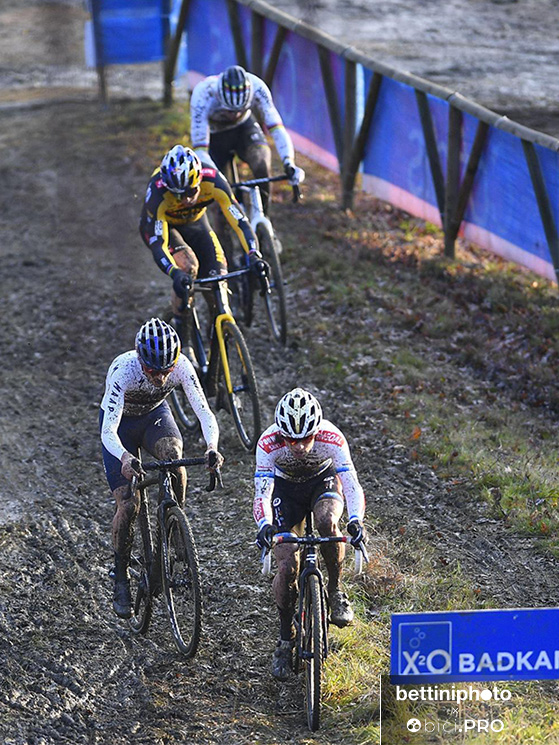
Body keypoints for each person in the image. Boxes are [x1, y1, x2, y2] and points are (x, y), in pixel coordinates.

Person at [100, 317, 224, 619]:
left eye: (165, 371)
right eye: (153, 370)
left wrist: (211, 447)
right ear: (141, 360)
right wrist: (125, 457)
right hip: (121, 429)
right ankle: (121, 577)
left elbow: (204, 412)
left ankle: (173, 523)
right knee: (128, 505)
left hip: (155, 417)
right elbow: (108, 432)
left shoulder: (180, 365)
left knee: (174, 455)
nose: (159, 377)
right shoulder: (123, 370)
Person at [253, 388, 366, 681]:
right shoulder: (267, 444)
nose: (299, 446)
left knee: (328, 523)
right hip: (285, 491)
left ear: (316, 430)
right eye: (291, 440)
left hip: (322, 482)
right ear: (281, 433)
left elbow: (351, 484)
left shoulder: (332, 438)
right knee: (287, 563)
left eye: (305, 438)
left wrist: (355, 521)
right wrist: (265, 525)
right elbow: (262, 492)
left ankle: (335, 590)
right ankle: (284, 639)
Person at [139, 144, 262, 337]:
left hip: (196, 223)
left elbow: (241, 223)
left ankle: (218, 336)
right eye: (177, 194)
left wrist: (254, 255)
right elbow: (158, 244)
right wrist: (174, 273)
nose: (185, 200)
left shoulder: (213, 180)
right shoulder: (157, 193)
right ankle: (184, 337)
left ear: (199, 180)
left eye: (190, 192)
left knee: (218, 286)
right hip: (166, 229)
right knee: (189, 267)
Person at [190, 65, 305, 213]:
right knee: (220, 196)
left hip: (244, 129)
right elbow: (200, 150)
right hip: (214, 135)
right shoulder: (203, 94)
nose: (234, 115)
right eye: (229, 110)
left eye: (239, 110)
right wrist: (217, 177)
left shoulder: (257, 87)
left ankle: (264, 219)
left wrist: (289, 162)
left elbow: (277, 129)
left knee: (261, 164)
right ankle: (224, 232)